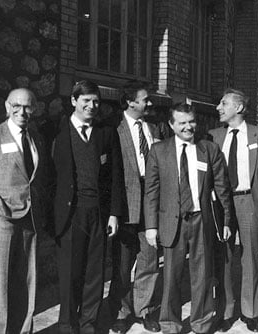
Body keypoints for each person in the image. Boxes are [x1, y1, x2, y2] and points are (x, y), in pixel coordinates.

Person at [0, 88, 51, 334]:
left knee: (27, 280)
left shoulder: (36, 137)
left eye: (27, 106)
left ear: (34, 109)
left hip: (30, 218)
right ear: (7, 107)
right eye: (17, 106)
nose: (22, 112)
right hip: (0, 220)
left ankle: (23, 330)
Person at [144, 103, 232, 334]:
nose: (188, 127)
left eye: (191, 121)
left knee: (202, 275)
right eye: (182, 122)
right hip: (171, 221)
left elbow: (223, 189)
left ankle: (201, 323)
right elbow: (151, 191)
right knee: (171, 275)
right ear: (171, 125)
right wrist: (151, 226)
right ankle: (170, 323)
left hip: (201, 219)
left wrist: (226, 222)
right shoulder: (159, 151)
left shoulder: (209, 149)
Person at [52, 80, 124, 334]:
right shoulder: (57, 131)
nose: (92, 106)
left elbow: (116, 176)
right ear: (74, 101)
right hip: (70, 214)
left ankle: (89, 324)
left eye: (96, 101)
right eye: (86, 101)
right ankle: (67, 325)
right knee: (71, 273)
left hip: (99, 212)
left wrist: (114, 213)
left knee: (95, 273)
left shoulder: (106, 133)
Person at [209, 88, 258, 332]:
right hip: (222, 204)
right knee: (224, 257)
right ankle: (225, 310)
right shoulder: (214, 136)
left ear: (238, 108)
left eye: (223, 103)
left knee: (250, 259)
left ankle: (250, 312)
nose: (218, 107)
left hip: (249, 201)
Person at [109, 82, 161, 334]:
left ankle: (145, 310)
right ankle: (121, 312)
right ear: (130, 102)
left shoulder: (153, 128)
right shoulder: (114, 130)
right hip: (126, 204)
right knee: (122, 263)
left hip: (151, 204)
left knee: (149, 259)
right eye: (144, 99)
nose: (149, 103)